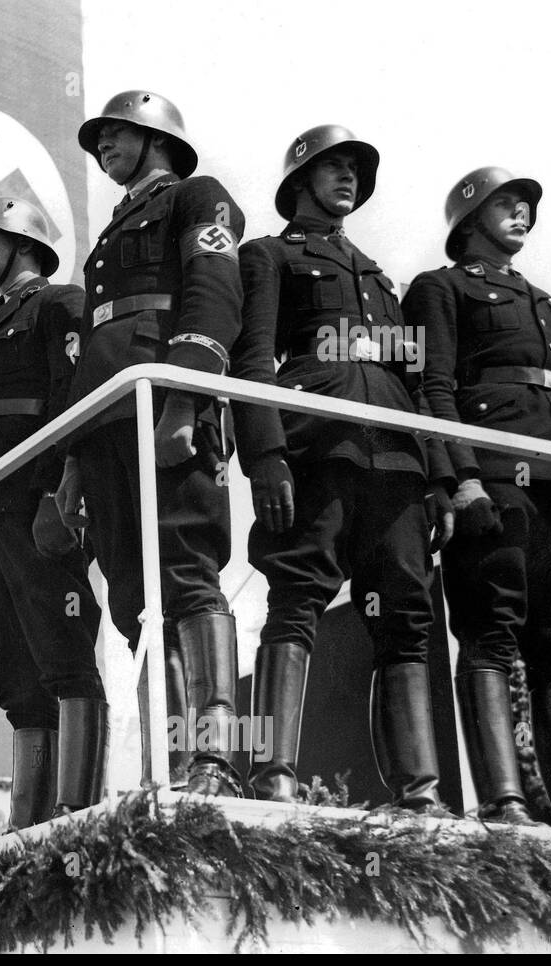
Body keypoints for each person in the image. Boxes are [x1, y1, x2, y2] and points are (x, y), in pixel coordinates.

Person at [232, 125, 454, 810]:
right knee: (294, 598)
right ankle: (273, 775)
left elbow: (418, 383)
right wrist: (265, 458)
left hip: (395, 460)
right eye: (335, 166)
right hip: (314, 448)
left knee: (405, 615)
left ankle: (418, 791)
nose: (349, 178)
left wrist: (442, 478)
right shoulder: (270, 255)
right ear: (300, 178)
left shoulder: (384, 279)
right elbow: (253, 360)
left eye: (357, 168)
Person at [55, 90, 245, 797]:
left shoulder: (197, 198)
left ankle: (216, 759)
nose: (103, 145)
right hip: (107, 419)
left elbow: (213, 291)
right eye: (99, 136)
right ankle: (168, 767)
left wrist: (186, 398)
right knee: (135, 597)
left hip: (165, 404)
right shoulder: (110, 231)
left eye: (115, 133)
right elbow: (94, 353)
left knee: (188, 577)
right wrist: (73, 467)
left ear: (155, 135)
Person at [404, 166, 551, 827]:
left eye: (528, 206)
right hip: (496, 474)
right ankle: (504, 800)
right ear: (469, 220)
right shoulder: (441, 289)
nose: (522, 214)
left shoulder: (547, 304)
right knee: (491, 630)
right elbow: (433, 388)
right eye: (507, 204)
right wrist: (460, 478)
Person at [0, 197, 107, 828]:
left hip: (34, 503)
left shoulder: (60, 303)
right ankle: (31, 818)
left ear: (23, 241)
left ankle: (77, 808)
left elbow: (71, 398)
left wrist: (58, 490)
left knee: (62, 648)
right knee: (17, 670)